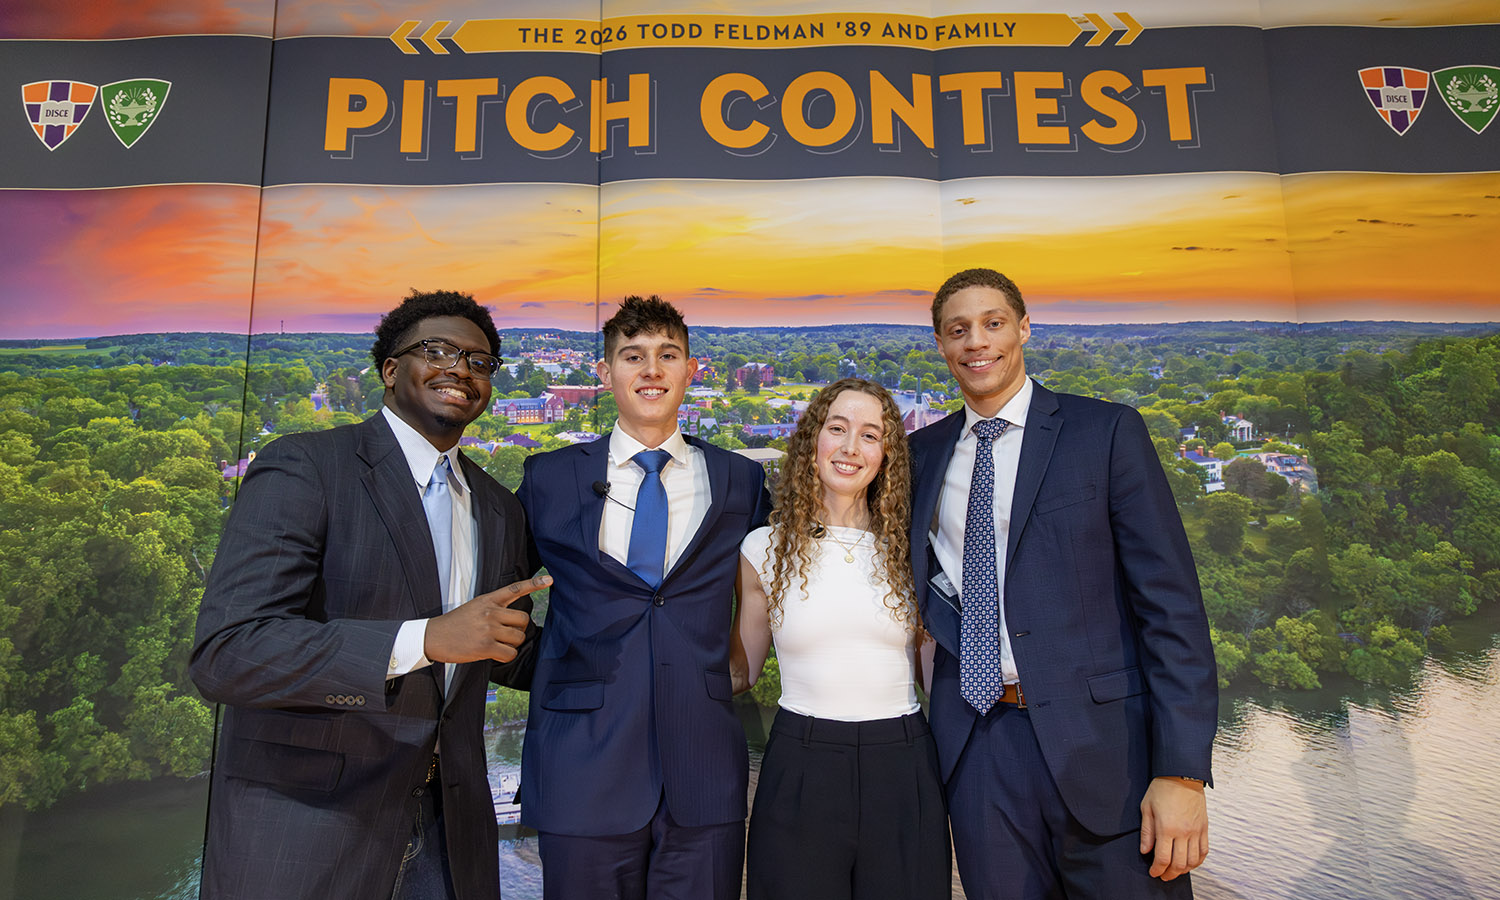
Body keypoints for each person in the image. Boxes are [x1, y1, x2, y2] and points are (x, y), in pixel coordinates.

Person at [190, 289, 551, 900]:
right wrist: (426, 640)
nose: (460, 370)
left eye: (479, 361)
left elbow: (499, 649)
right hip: (310, 832)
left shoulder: (497, 507)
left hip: (452, 839)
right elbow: (228, 653)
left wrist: (652, 659)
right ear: (389, 370)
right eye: (436, 351)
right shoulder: (306, 466)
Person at [909, 268, 1218, 899]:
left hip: (1106, 751)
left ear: (1023, 329)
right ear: (940, 344)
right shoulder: (920, 455)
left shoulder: (1105, 432)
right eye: (958, 330)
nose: (976, 342)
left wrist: (1182, 773)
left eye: (993, 323)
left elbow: (1171, 608)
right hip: (977, 750)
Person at [515, 295, 771, 900]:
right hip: (580, 766)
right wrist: (551, 668)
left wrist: (737, 666)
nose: (651, 370)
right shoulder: (549, 477)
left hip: (703, 772)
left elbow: (765, 588)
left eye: (667, 355)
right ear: (605, 373)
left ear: (691, 370)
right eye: (633, 356)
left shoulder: (741, 480)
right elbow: (497, 595)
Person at [732, 378, 950, 900]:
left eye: (870, 435)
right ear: (813, 439)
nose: (851, 447)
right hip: (799, 762)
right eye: (838, 428)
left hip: (903, 763)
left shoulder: (915, 552)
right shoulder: (763, 549)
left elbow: (933, 676)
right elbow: (741, 672)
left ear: (886, 455)